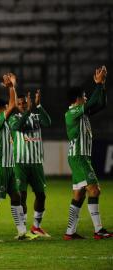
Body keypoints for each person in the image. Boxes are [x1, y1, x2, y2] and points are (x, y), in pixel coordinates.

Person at [0, 73, 38, 242]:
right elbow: (13, 104)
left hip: (8, 166)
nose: (9, 108)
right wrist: (11, 87)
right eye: (5, 107)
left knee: (16, 197)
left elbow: (13, 106)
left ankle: (22, 232)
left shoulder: (5, 122)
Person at [63, 66, 112, 240]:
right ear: (77, 99)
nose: (86, 98)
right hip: (79, 157)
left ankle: (70, 232)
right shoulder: (72, 113)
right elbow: (91, 103)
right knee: (95, 190)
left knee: (79, 194)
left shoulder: (81, 113)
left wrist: (102, 85)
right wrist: (97, 85)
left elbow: (101, 104)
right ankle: (98, 230)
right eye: (84, 96)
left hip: (81, 157)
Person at [9, 90, 51, 237]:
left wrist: (39, 106)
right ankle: (23, 229)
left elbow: (48, 122)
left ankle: (36, 227)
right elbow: (18, 127)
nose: (21, 105)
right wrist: (28, 111)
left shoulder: (36, 116)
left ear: (29, 103)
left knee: (41, 196)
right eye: (19, 104)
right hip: (20, 163)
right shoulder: (13, 118)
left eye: (24, 103)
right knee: (22, 195)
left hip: (36, 163)